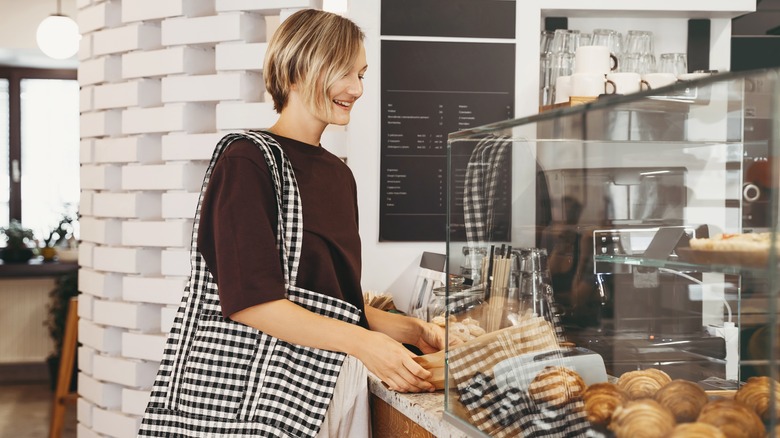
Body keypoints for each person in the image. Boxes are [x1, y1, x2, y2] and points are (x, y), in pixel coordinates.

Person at [138, 9, 448, 438]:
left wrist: (414, 329)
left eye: (361, 74)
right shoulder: (247, 160)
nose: (356, 89)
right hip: (265, 400)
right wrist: (364, 344)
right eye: (344, 72)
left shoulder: (339, 174)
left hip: (333, 390)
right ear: (296, 71)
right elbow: (251, 301)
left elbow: (332, 303)